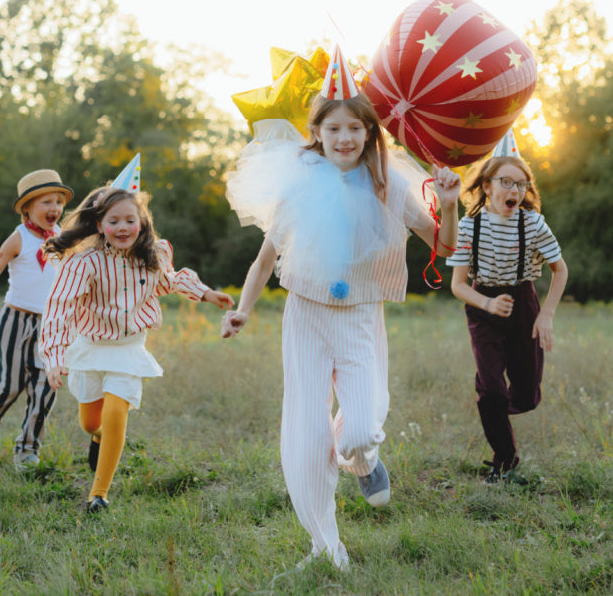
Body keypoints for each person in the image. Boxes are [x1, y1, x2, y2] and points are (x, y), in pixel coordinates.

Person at [220, 48, 461, 571]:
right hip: (304, 316)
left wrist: (449, 201)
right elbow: (265, 261)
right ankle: (325, 547)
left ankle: (364, 460)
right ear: (319, 134)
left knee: (359, 428)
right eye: (334, 129)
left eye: (355, 128)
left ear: (370, 134)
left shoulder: (389, 183)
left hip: (358, 318)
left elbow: (442, 247)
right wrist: (242, 310)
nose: (345, 138)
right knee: (305, 440)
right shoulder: (300, 182)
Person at [40, 181, 234, 513]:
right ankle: (98, 437)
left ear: (141, 221)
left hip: (129, 346)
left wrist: (205, 293)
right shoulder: (84, 263)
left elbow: (170, 280)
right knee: (90, 421)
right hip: (91, 343)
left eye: (130, 219)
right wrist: (55, 356)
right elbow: (60, 307)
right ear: (100, 226)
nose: (122, 228)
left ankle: (98, 494)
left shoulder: (154, 254)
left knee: (117, 411)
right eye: (113, 221)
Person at [447, 134, 568, 483]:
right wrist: (486, 302)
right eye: (506, 182)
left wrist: (546, 314)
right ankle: (504, 457)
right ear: (487, 186)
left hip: (524, 305)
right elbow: (458, 286)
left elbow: (561, 269)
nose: (514, 189)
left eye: (521, 183)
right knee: (493, 391)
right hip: (482, 307)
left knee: (527, 396)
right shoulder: (470, 225)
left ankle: (496, 405)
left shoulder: (531, 222)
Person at [0, 169, 74, 470]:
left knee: (45, 388)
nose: (54, 208)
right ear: (27, 207)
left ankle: (28, 448)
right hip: (16, 320)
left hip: (52, 325)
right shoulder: (19, 238)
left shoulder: (63, 238)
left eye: (58, 201)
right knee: (8, 386)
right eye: (46, 202)